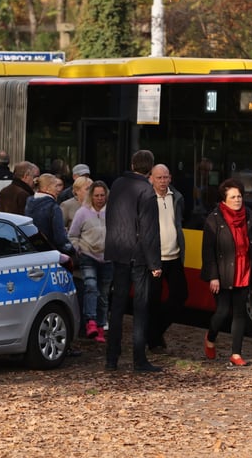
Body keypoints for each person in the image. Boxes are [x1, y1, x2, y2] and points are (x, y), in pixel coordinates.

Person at [104, 150, 162, 373]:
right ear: (150, 168)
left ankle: (112, 358)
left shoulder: (118, 184)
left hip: (118, 251)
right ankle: (139, 359)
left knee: (117, 307)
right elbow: (148, 231)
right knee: (140, 307)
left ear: (132, 164)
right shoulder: (146, 191)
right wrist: (155, 263)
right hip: (137, 256)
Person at [201, 178, 252, 367]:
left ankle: (236, 354)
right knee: (223, 311)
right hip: (223, 272)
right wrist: (213, 276)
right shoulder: (214, 218)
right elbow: (208, 250)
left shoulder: (249, 215)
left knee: (239, 314)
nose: (237, 200)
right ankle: (210, 337)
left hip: (244, 270)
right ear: (224, 200)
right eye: (233, 197)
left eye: (240, 196)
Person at [147, 164, 188, 353]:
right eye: (159, 178)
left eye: (166, 177)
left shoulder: (177, 198)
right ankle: (153, 339)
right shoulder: (146, 199)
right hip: (155, 258)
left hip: (174, 255)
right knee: (153, 300)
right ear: (151, 179)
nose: (163, 181)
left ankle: (154, 332)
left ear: (170, 178)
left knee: (180, 295)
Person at [69, 180, 113, 343]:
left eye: (102, 195)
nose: (100, 198)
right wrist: (78, 250)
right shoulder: (82, 213)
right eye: (96, 196)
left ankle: (101, 326)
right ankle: (91, 321)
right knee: (91, 286)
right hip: (87, 255)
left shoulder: (112, 212)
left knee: (104, 294)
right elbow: (73, 235)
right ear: (91, 196)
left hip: (107, 257)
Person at [24, 173, 74, 255]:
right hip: (50, 253)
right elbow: (60, 238)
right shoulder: (53, 207)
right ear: (47, 188)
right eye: (55, 186)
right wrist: (72, 251)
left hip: (32, 250)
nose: (58, 190)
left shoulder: (29, 203)